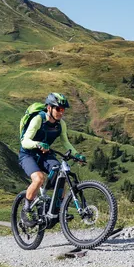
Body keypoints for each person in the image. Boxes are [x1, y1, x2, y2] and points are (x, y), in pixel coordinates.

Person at [19, 93, 85, 226]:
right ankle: (26, 209)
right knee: (38, 179)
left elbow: (66, 143)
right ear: (49, 108)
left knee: (62, 174)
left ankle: (58, 210)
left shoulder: (61, 124)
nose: (61, 113)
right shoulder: (38, 119)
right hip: (28, 154)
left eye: (63, 110)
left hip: (45, 155)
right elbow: (24, 141)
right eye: (58, 109)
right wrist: (37, 144)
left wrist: (77, 154)